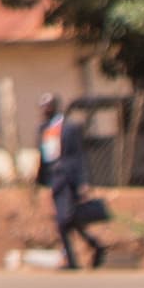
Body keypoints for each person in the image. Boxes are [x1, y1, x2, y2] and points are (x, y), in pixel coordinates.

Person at [39, 93, 111, 269]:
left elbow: (78, 156)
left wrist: (82, 182)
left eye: (48, 106)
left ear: (55, 106)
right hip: (55, 181)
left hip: (69, 180)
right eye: (43, 107)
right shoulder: (44, 129)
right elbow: (45, 157)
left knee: (63, 220)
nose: (45, 110)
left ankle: (74, 259)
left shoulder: (69, 128)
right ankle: (94, 246)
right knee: (66, 220)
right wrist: (39, 179)